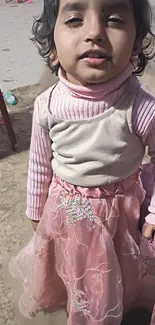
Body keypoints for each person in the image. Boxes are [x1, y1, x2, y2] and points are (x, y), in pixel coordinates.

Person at [9, 0, 155, 324]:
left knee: (119, 268)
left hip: (120, 213)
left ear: (137, 40)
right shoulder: (48, 103)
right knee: (75, 266)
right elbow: (39, 162)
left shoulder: (139, 106)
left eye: (114, 19)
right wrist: (35, 209)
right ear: (52, 45)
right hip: (68, 213)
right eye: (75, 19)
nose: (94, 33)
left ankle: (122, 300)